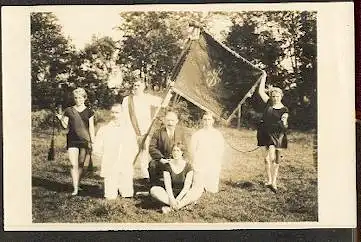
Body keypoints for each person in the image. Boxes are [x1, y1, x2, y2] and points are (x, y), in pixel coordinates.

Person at [122, 79, 172, 180]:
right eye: (134, 85)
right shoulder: (127, 99)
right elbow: (124, 115)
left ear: (143, 87)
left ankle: (145, 175)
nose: (136, 87)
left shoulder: (147, 98)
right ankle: (127, 173)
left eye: (138, 85)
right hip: (130, 129)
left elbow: (163, 103)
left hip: (145, 130)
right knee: (130, 152)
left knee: (144, 152)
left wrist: (170, 91)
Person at [92, 103, 138, 199]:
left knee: (126, 188)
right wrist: (101, 154)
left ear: (122, 114)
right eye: (112, 112)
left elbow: (134, 146)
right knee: (110, 193)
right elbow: (97, 146)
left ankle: (125, 193)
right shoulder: (104, 129)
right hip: (110, 160)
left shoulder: (128, 129)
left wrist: (130, 156)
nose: (114, 115)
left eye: (117, 112)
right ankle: (111, 192)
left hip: (124, 159)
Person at [56, 88, 95, 195]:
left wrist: (93, 142)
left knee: (81, 164)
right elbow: (65, 126)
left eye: (80, 98)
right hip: (72, 140)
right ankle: (75, 188)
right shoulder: (69, 110)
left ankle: (78, 183)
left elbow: (91, 128)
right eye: (76, 98)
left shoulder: (89, 112)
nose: (78, 100)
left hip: (84, 140)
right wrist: (60, 119)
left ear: (84, 98)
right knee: (73, 165)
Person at [257, 71, 289, 192]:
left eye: (277, 96)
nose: (275, 98)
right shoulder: (268, 103)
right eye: (273, 96)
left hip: (277, 135)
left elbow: (284, 122)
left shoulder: (284, 109)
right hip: (265, 133)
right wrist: (264, 77)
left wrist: (284, 122)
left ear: (281, 96)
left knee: (274, 157)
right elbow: (260, 91)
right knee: (266, 159)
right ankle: (269, 180)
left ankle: (274, 182)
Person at [150, 143, 200, 213]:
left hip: (183, 194)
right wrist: (172, 199)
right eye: (174, 150)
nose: (175, 153)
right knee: (154, 190)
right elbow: (168, 186)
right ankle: (181, 206)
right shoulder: (167, 166)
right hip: (170, 194)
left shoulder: (188, 166)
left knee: (197, 191)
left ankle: (172, 208)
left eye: (178, 150)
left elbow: (186, 187)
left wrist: (178, 199)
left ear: (182, 152)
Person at [148, 110, 188, 185]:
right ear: (164, 121)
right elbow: (152, 147)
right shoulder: (158, 132)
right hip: (162, 160)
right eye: (168, 120)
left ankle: (178, 184)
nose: (170, 123)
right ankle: (154, 185)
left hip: (176, 160)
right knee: (152, 164)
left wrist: (180, 158)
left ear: (176, 121)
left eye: (172, 120)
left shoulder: (181, 133)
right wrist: (161, 158)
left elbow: (185, 148)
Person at [190, 112, 225, 193]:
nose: (207, 122)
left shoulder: (217, 134)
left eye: (209, 119)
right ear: (202, 121)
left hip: (212, 164)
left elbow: (220, 151)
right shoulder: (197, 134)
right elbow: (192, 151)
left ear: (212, 121)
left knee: (212, 190)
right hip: (199, 164)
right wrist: (196, 163)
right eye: (205, 119)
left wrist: (216, 163)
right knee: (197, 189)